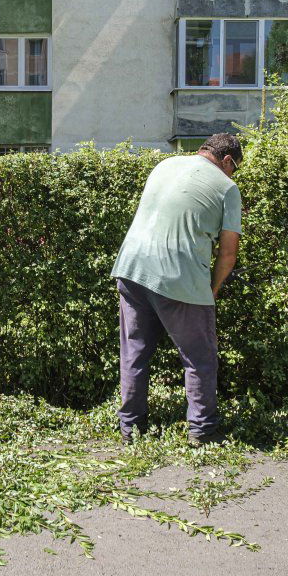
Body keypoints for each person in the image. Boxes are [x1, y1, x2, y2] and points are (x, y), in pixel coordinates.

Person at [110, 132, 243, 446]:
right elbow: (228, 253)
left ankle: (131, 427)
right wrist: (211, 290)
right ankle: (203, 430)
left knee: (135, 351)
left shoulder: (165, 165)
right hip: (177, 276)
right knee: (200, 357)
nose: (233, 174)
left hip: (131, 267)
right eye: (234, 168)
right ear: (227, 161)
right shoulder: (227, 187)